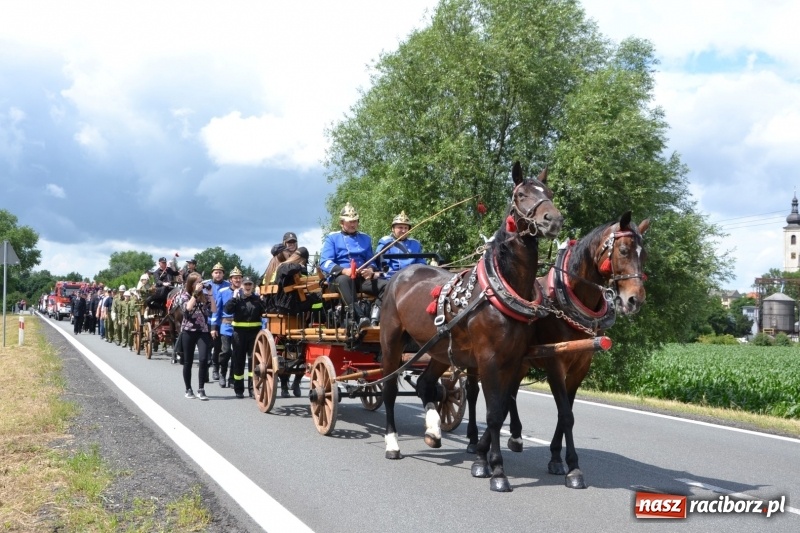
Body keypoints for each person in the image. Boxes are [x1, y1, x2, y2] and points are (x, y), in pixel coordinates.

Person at [319, 202, 386, 328]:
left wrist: (370, 270)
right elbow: (325, 262)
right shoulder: (332, 238)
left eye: (355, 221)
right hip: (338, 280)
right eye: (349, 221)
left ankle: (375, 316)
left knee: (387, 285)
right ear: (341, 223)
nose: (353, 224)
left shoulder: (366, 238)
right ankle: (359, 317)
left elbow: (371, 260)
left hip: (361, 278)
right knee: (344, 280)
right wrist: (345, 271)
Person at [223, 275, 266, 398]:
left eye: (249, 284)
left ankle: (252, 389)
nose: (247, 286)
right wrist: (234, 298)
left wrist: (263, 299)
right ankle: (239, 389)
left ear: (252, 286)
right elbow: (227, 310)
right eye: (245, 284)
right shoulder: (237, 298)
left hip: (254, 334)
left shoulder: (257, 299)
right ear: (241, 286)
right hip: (239, 334)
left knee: (254, 362)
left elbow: (267, 310)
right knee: (239, 361)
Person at [175, 272, 215, 400]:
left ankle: (201, 388)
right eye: (198, 282)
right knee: (188, 361)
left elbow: (213, 309)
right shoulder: (183, 295)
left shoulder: (204, 296)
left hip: (202, 330)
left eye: (201, 282)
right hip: (188, 330)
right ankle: (188, 389)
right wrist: (195, 294)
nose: (200, 284)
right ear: (191, 284)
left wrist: (210, 294)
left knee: (203, 359)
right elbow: (187, 308)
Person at [375, 211, 427, 279]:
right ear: (393, 229)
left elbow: (421, 262)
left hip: (413, 278)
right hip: (392, 279)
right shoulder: (385, 242)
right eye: (400, 227)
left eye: (406, 228)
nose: (403, 231)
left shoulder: (415, 244)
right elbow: (383, 265)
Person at [207, 263, 231, 384]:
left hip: (223, 320)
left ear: (223, 274)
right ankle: (214, 367)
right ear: (212, 273)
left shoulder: (228, 285)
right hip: (209, 318)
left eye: (220, 272)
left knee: (220, 347)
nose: (218, 274)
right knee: (214, 345)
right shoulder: (207, 285)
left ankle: (217, 369)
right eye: (216, 272)